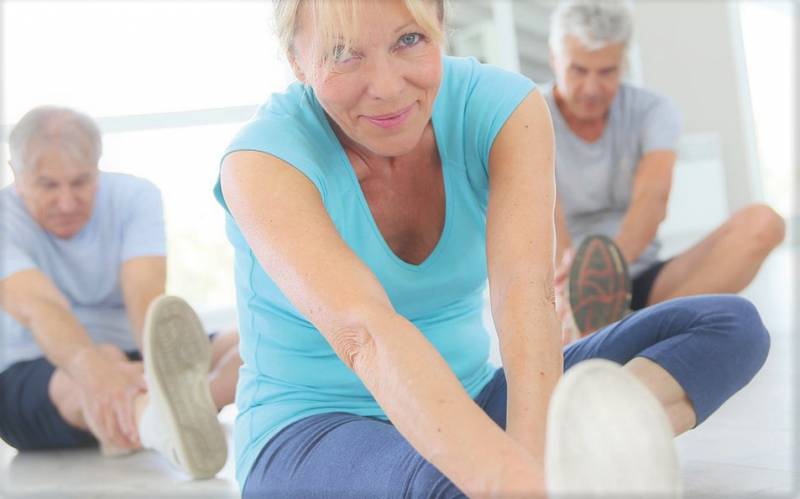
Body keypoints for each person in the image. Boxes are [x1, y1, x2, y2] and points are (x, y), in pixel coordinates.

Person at [214, 0, 771, 496]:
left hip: (471, 398)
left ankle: (573, 457)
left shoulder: (501, 106)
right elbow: (366, 336)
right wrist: (512, 480)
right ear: (297, 61)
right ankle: (571, 469)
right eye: (342, 53)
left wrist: (532, 457)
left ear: (440, 24)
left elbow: (524, 294)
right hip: (313, 429)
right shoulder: (262, 160)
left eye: (409, 39)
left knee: (727, 326)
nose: (386, 86)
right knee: (455, 483)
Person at [0, 106, 238, 479]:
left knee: (253, 342)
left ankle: (178, 408)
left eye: (81, 182)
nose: (66, 202)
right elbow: (40, 307)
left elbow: (144, 296)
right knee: (91, 369)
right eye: (48, 186)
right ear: (16, 174)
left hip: (134, 356)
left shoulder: (135, 195)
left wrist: (153, 370)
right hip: (37, 370)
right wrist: (99, 373)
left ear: (97, 168)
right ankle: (157, 425)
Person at [543, 0, 786, 337]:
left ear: (623, 62)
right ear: (555, 60)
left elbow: (653, 196)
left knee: (764, 223)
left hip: (638, 274)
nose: (592, 88)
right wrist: (576, 283)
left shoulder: (653, 110)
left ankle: (634, 332)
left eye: (607, 72)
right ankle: (623, 335)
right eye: (579, 70)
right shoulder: (530, 114)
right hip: (562, 283)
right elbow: (543, 211)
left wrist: (606, 273)